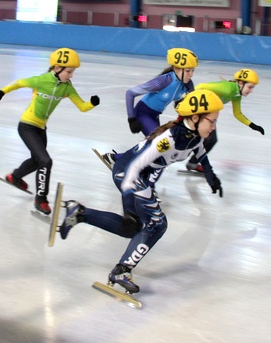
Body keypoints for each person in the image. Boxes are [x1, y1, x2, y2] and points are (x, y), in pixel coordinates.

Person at [56, 89, 224, 294]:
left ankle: (79, 212)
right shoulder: (168, 139)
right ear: (195, 118)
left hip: (141, 177)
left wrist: (211, 176)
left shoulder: (194, 137)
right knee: (157, 223)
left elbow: (201, 153)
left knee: (131, 228)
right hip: (129, 173)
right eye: (212, 121)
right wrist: (128, 203)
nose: (214, 127)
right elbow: (135, 167)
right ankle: (122, 270)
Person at [0, 48, 99, 214]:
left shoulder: (67, 88)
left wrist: (92, 103)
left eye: (72, 72)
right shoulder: (41, 80)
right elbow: (18, 83)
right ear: (57, 68)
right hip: (27, 125)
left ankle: (15, 177)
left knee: (37, 161)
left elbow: (82, 107)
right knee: (45, 161)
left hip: (41, 128)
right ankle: (41, 199)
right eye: (69, 72)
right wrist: (1, 93)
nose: (71, 76)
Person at [99, 47, 198, 169]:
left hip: (155, 115)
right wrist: (132, 118)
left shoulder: (188, 84)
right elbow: (130, 93)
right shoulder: (164, 81)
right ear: (176, 68)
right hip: (143, 113)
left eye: (193, 70)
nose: (191, 75)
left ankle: (118, 160)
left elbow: (190, 105)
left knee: (157, 147)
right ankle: (116, 159)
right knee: (158, 145)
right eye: (188, 71)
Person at [185, 68, 264, 173]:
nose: (251, 90)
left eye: (252, 88)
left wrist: (253, 126)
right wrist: (187, 99)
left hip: (206, 113)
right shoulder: (227, 89)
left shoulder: (236, 95)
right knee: (204, 139)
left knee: (211, 140)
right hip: (197, 111)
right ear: (240, 83)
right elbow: (201, 86)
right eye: (249, 87)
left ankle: (192, 163)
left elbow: (238, 113)